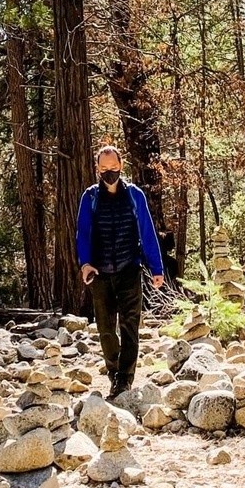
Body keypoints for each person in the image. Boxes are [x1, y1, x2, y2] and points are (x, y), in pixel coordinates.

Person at [76, 144, 164, 398]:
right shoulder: (90, 197)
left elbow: (147, 232)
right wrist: (85, 263)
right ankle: (113, 372)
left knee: (129, 326)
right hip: (100, 272)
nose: (109, 172)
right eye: (104, 168)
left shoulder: (135, 195)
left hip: (129, 268)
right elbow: (83, 233)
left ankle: (125, 378)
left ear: (121, 166)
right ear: (97, 169)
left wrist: (156, 267)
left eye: (113, 167)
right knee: (105, 328)